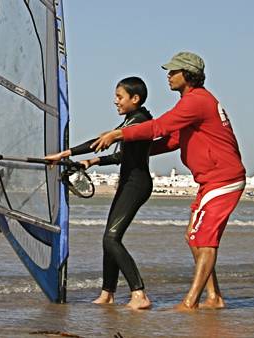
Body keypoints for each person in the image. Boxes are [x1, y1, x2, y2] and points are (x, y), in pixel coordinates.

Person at [92, 52, 246, 311]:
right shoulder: (193, 103)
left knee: (204, 240)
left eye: (173, 71)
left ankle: (190, 302)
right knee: (194, 237)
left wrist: (119, 133)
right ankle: (213, 297)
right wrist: (135, 151)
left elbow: (158, 127)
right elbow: (172, 140)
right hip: (211, 180)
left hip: (223, 178)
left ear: (187, 75)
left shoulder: (196, 101)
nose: (168, 75)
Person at [45, 77, 154, 310]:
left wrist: (64, 153)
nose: (115, 101)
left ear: (135, 98)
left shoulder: (140, 121)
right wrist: (92, 161)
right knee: (109, 239)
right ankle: (107, 293)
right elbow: (122, 156)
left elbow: (101, 141)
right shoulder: (131, 120)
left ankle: (139, 293)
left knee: (111, 239)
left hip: (137, 185)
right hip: (128, 183)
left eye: (119, 97)